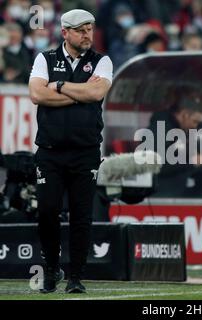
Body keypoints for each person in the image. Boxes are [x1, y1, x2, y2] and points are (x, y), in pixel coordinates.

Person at [28, 9, 113, 294]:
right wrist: (78, 94)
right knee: (47, 211)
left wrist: (61, 86)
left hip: (85, 151)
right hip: (50, 151)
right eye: (80, 30)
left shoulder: (102, 60)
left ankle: (75, 276)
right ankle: (52, 268)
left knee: (81, 215)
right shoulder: (45, 58)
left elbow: (96, 94)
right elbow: (38, 95)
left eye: (89, 29)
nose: (87, 34)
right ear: (65, 32)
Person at [147, 91, 202, 198]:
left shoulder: (196, 127)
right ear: (184, 114)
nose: (196, 126)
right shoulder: (158, 129)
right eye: (194, 121)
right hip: (165, 191)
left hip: (192, 185)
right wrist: (191, 162)